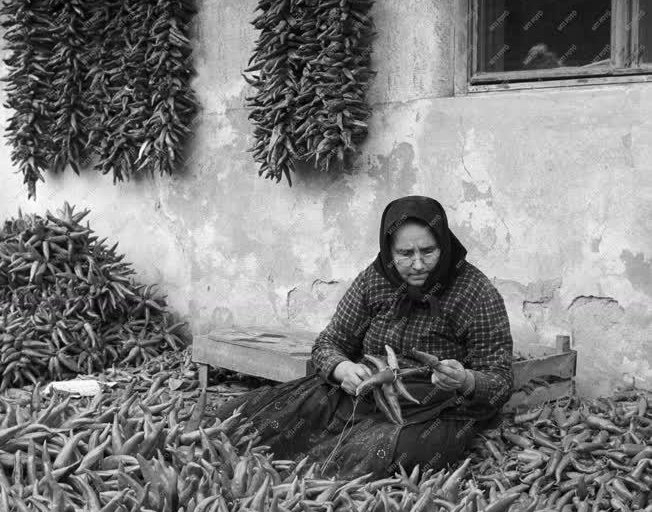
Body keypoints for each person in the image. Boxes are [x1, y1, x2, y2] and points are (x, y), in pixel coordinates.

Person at [217, 195, 514, 479]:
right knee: (249, 415)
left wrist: (465, 380)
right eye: (405, 254)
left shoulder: (475, 292)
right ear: (389, 251)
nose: (419, 264)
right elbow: (328, 344)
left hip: (431, 408)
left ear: (444, 245)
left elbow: (500, 381)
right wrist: (342, 368)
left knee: (382, 450)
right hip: (363, 392)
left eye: (428, 251)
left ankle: (316, 480)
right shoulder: (375, 280)